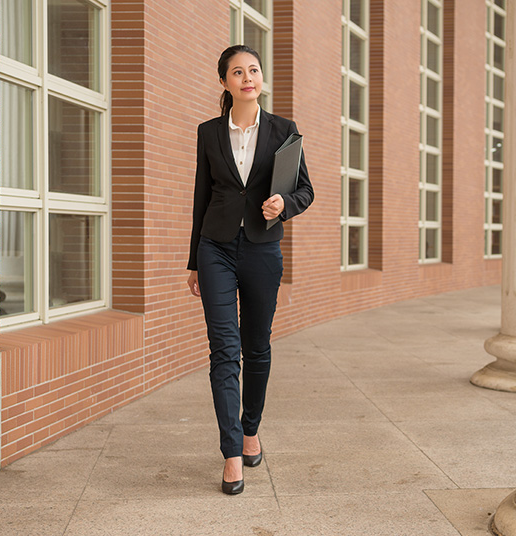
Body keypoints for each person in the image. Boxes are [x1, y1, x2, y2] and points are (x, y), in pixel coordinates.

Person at [186, 45, 314, 495]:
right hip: (215, 248)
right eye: (237, 72)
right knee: (224, 350)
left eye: (253, 70)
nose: (247, 77)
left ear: (261, 78)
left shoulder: (284, 130)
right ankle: (232, 452)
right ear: (224, 82)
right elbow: (201, 198)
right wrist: (193, 263)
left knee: (256, 347)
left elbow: (305, 189)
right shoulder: (208, 132)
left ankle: (252, 425)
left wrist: (285, 205)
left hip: (262, 250)